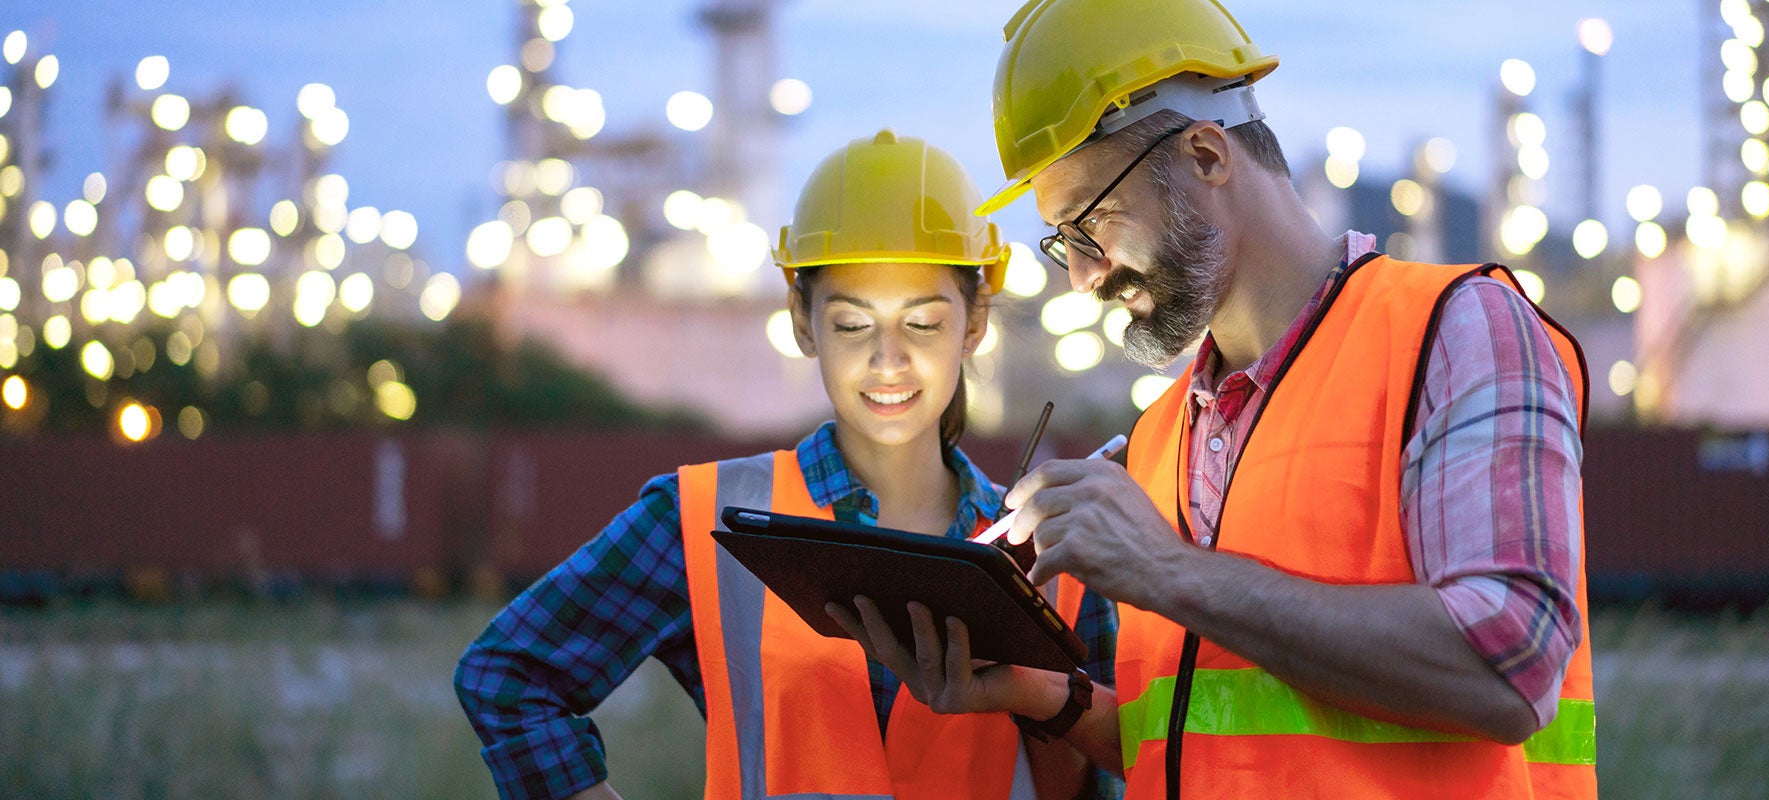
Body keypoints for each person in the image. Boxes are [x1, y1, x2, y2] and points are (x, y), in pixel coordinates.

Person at [834, 1, 1596, 797]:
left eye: (1091, 225)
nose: (1083, 277)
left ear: (1205, 155)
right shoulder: (1164, 437)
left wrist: (1169, 570)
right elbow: (1205, 738)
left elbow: (1509, 666)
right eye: (1064, 243)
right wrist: (1042, 696)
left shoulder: (1457, 332)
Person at [454, 130, 1119, 800]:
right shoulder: (704, 519)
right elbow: (506, 678)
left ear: (974, 321)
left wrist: (1042, 701)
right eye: (852, 326)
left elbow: (1112, 773)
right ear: (803, 322)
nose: (888, 360)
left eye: (922, 324)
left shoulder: (1053, 554)